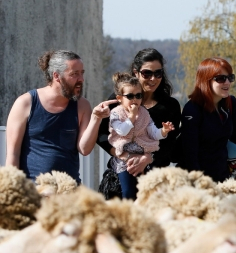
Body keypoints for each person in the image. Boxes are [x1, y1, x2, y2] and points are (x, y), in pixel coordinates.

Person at [6, 50, 116, 182]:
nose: (81, 79)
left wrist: (96, 118)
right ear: (56, 76)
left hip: (68, 191)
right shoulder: (25, 103)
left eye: (82, 73)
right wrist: (13, 189)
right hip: (33, 191)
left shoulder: (82, 105)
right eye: (74, 74)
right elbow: (13, 153)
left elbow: (85, 149)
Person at [96, 48, 182, 180]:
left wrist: (147, 158)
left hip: (155, 180)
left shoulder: (170, 106)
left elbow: (169, 144)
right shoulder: (119, 100)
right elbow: (101, 134)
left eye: (158, 73)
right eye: (147, 73)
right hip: (121, 176)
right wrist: (123, 155)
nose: (153, 79)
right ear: (136, 73)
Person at [178, 57, 236, 182]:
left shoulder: (231, 103)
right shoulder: (192, 109)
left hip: (223, 177)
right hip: (196, 182)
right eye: (221, 79)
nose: (227, 82)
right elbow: (190, 154)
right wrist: (202, 184)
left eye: (230, 77)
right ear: (206, 81)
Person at [108, 72, 175, 199]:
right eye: (130, 96)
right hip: (124, 160)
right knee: (128, 192)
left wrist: (163, 132)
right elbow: (122, 131)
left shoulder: (144, 113)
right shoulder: (116, 113)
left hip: (143, 157)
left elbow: (153, 132)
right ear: (119, 98)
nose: (135, 100)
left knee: (147, 192)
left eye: (138, 96)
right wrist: (132, 117)